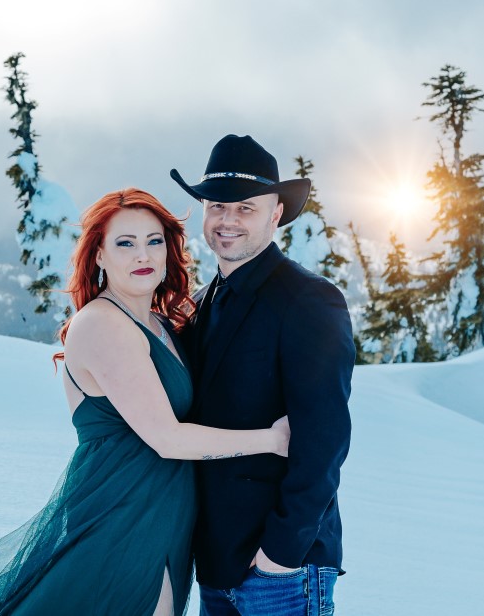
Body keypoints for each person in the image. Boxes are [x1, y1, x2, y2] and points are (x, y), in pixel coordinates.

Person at [0, 188, 291, 616]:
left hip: (161, 516)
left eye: (154, 241)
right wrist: (271, 440)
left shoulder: (160, 324)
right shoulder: (102, 325)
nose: (143, 255)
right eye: (125, 243)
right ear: (99, 255)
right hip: (117, 517)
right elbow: (167, 438)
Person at [170, 135, 355, 616]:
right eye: (216, 206)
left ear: (276, 214)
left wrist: (280, 555)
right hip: (215, 563)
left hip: (280, 572)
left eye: (245, 208)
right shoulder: (204, 303)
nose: (227, 220)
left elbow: (325, 439)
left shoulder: (309, 301)